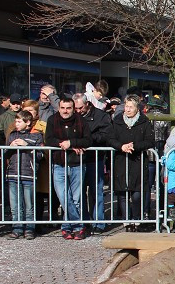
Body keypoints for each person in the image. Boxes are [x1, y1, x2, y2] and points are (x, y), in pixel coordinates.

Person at [44, 97, 93, 239]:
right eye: (63, 108)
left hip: (77, 164)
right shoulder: (52, 120)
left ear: (73, 108)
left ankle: (67, 227)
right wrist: (63, 144)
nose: (65, 111)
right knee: (64, 198)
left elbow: (88, 140)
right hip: (59, 164)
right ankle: (78, 225)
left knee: (76, 199)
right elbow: (49, 139)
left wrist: (72, 142)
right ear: (59, 108)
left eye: (68, 108)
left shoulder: (81, 121)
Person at [107, 95, 155, 229]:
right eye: (126, 106)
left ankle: (136, 218)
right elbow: (110, 138)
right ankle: (126, 219)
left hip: (137, 160)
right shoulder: (117, 121)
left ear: (137, 108)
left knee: (137, 193)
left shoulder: (144, 122)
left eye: (130, 107)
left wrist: (135, 146)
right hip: (121, 160)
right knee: (122, 192)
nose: (127, 110)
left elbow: (150, 141)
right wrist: (121, 146)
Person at [73, 93, 111, 232]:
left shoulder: (101, 116)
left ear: (87, 104)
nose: (78, 111)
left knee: (96, 191)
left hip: (95, 158)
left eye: (80, 108)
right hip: (77, 159)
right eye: (76, 108)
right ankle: (83, 220)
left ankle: (98, 222)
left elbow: (106, 135)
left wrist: (88, 140)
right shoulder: (73, 116)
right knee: (79, 192)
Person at [3, 110, 43, 239]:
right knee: (15, 204)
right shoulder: (12, 135)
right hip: (13, 173)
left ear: (28, 122)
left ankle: (30, 228)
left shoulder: (37, 136)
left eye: (19, 121)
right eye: (16, 121)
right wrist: (10, 147)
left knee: (29, 204)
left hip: (28, 174)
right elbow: (5, 154)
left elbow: (40, 155)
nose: (16, 124)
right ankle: (17, 227)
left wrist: (27, 145)